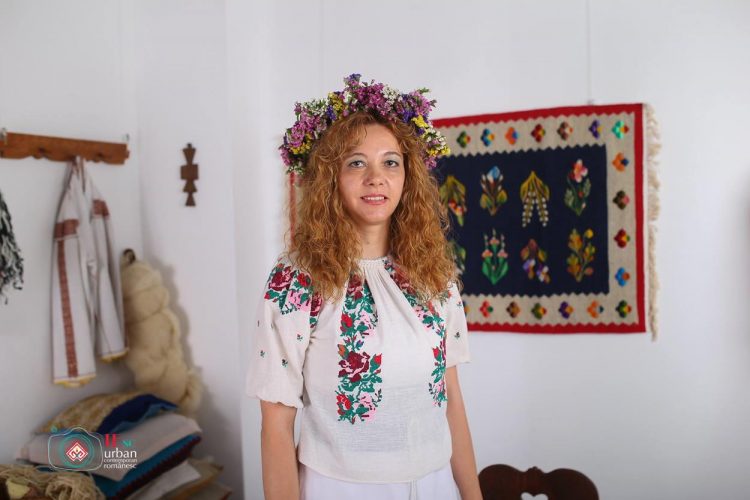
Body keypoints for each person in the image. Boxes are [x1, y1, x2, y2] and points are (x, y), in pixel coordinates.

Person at [246, 74, 482, 500]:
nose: (376, 177)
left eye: (390, 162)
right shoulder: (296, 281)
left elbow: (452, 400)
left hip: (436, 485)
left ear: (408, 176)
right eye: (356, 163)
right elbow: (276, 425)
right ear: (330, 178)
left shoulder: (435, 275)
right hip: (337, 489)